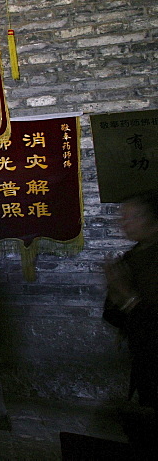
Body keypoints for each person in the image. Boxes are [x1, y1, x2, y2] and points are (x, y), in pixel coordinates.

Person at [104, 191, 158, 454]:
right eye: (122, 218)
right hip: (144, 357)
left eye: (133, 217)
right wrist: (116, 292)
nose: (124, 224)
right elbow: (115, 315)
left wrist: (126, 296)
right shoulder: (131, 258)